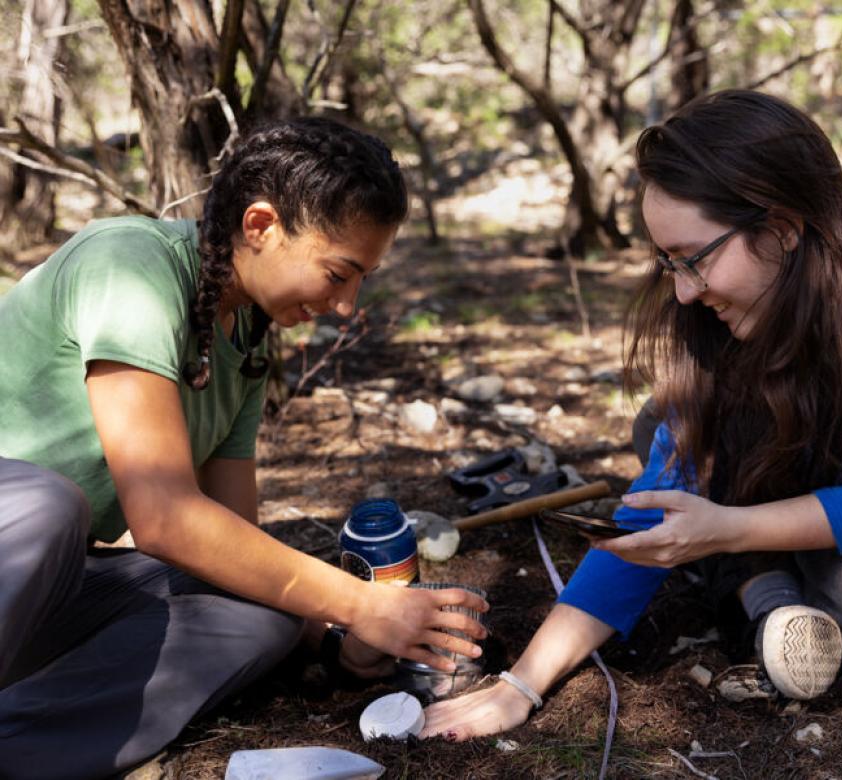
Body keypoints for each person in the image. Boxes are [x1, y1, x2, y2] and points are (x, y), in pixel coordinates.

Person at [420, 89, 842, 741]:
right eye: (668, 264)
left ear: (781, 227)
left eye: (695, 259)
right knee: (667, 431)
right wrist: (521, 684)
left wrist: (732, 530)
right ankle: (774, 596)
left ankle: (763, 588)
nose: (685, 291)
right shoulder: (744, 309)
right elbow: (646, 514)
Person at [0, 117, 487, 778]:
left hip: (41, 598)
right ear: (260, 226)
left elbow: (226, 543)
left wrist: (347, 637)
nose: (347, 305)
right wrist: (361, 601)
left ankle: (21, 749)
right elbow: (165, 518)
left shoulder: (243, 342)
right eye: (339, 273)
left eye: (361, 281)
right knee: (48, 506)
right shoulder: (131, 266)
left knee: (265, 618)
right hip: (20, 542)